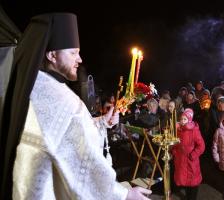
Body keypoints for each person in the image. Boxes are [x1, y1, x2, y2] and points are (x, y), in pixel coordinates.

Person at [3, 13, 151, 200]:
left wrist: (101, 123)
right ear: (52, 55)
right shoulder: (62, 100)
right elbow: (85, 165)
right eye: (73, 52)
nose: (79, 59)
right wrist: (125, 194)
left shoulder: (30, 87)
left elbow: (63, 139)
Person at [172, 108, 205, 200]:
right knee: (185, 182)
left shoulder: (194, 130)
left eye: (185, 119)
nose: (182, 121)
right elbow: (176, 143)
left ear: (189, 119)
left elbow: (201, 145)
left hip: (191, 161)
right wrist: (174, 151)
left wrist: (193, 155)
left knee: (193, 182)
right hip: (181, 160)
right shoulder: (179, 130)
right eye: (181, 119)